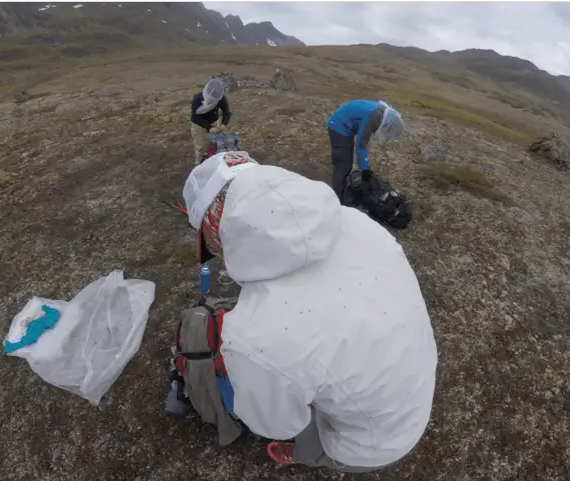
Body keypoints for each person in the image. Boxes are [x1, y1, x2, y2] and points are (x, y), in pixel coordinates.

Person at [182, 151, 437, 473]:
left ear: (218, 231)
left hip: (373, 448)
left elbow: (276, 424)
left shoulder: (253, 338)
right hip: (412, 391)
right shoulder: (359, 222)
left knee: (277, 410)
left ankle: (311, 455)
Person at [327, 99, 405, 203]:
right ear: (390, 126)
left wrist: (364, 165)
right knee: (343, 166)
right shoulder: (375, 117)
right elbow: (361, 144)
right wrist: (365, 169)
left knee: (346, 164)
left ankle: (341, 191)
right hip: (338, 127)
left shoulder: (382, 115)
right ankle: (336, 200)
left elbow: (364, 139)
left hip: (345, 126)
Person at [191, 78, 233, 165]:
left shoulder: (220, 98)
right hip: (198, 124)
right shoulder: (197, 99)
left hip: (214, 121)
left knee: (216, 143)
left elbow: (227, 112)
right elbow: (196, 117)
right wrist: (209, 127)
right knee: (200, 146)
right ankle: (199, 164)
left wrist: (223, 124)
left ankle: (215, 162)